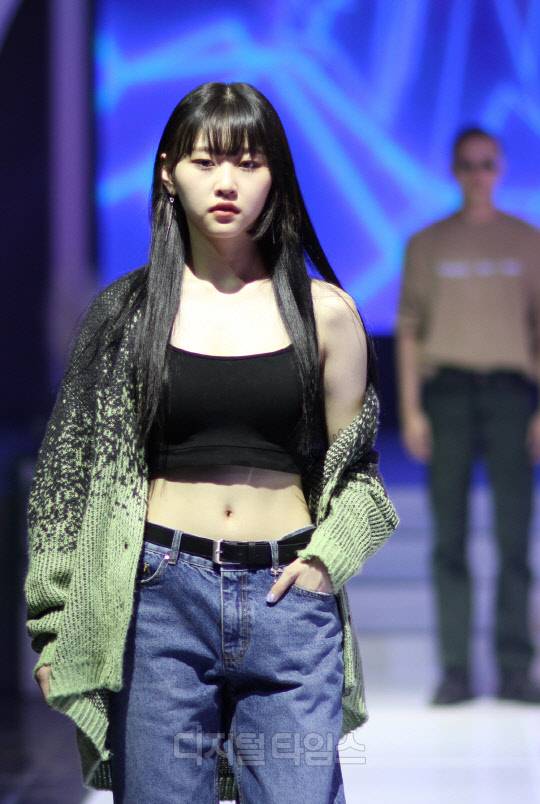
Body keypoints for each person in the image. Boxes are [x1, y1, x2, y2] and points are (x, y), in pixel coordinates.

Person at [24, 82, 399, 803]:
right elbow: (65, 485)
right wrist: (54, 628)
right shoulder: (124, 317)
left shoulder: (326, 315)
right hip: (157, 598)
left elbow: (358, 477)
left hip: (290, 597)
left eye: (249, 163)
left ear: (275, 177)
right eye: (205, 161)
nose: (226, 182)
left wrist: (325, 563)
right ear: (169, 172)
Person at [396, 125, 540, 706]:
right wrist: (410, 410)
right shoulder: (426, 244)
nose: (478, 174)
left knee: (514, 538)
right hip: (448, 394)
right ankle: (455, 670)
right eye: (468, 164)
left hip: (511, 395)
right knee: (448, 538)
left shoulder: (528, 240)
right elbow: (409, 331)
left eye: (487, 163)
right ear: (454, 171)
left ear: (499, 169)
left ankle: (515, 670)